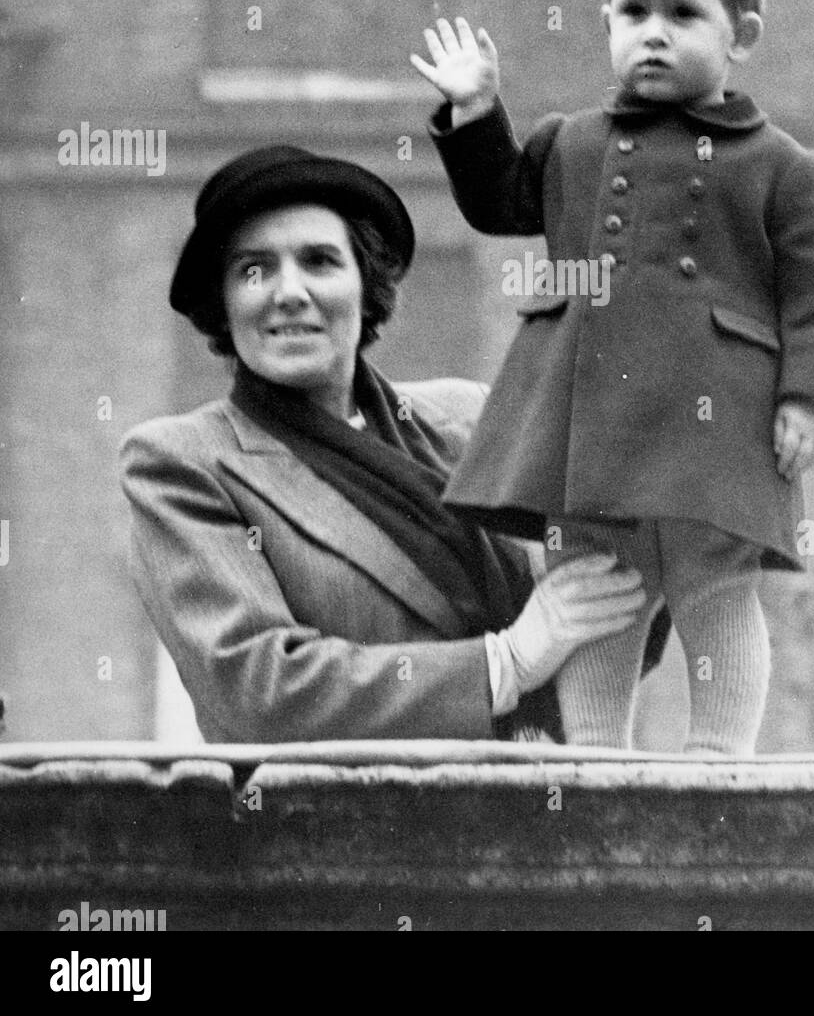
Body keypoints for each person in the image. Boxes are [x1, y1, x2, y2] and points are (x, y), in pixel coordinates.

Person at [411, 0, 814, 755]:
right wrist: (473, 113)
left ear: (743, 34)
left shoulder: (784, 167)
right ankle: (593, 756)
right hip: (588, 420)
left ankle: (718, 759)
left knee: (714, 588)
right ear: (606, 19)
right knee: (597, 586)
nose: (653, 32)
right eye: (633, 10)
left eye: (683, 13)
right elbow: (499, 204)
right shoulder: (570, 143)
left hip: (712, 427)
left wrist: (809, 400)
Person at [119, 145, 648, 743]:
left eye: (319, 261)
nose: (288, 292)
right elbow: (255, 687)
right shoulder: (181, 464)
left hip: (544, 807)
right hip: (343, 826)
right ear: (224, 302)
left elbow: (596, 611)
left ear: (366, 286)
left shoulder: (470, 415)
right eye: (253, 270)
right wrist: (506, 662)